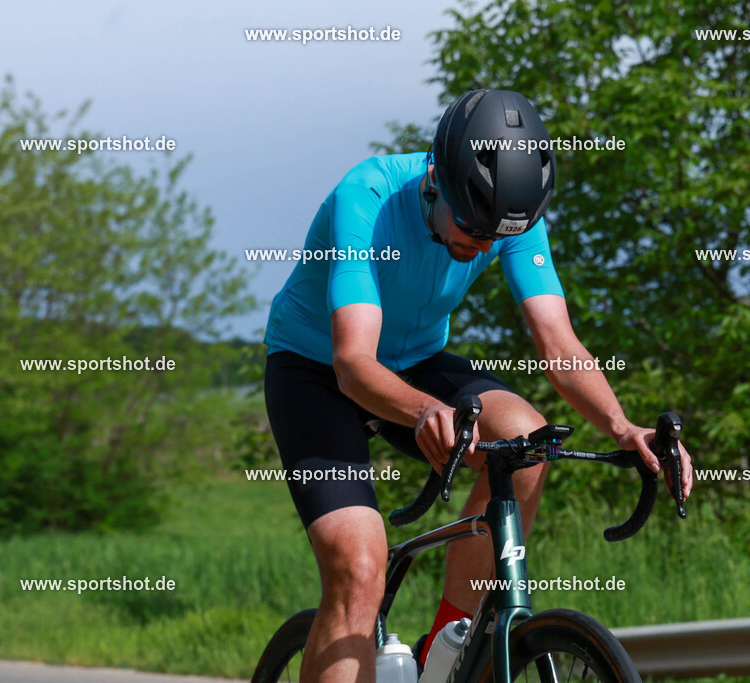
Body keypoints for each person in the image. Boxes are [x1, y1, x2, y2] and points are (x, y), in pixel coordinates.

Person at [263, 88, 694, 683]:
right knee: (359, 569)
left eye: (496, 236)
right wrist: (422, 411)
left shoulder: (510, 215)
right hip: (317, 370)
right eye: (470, 226)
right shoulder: (366, 195)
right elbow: (353, 362)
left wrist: (622, 427)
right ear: (436, 179)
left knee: (529, 438)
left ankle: (450, 650)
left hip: (417, 359)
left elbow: (558, 343)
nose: (482, 245)